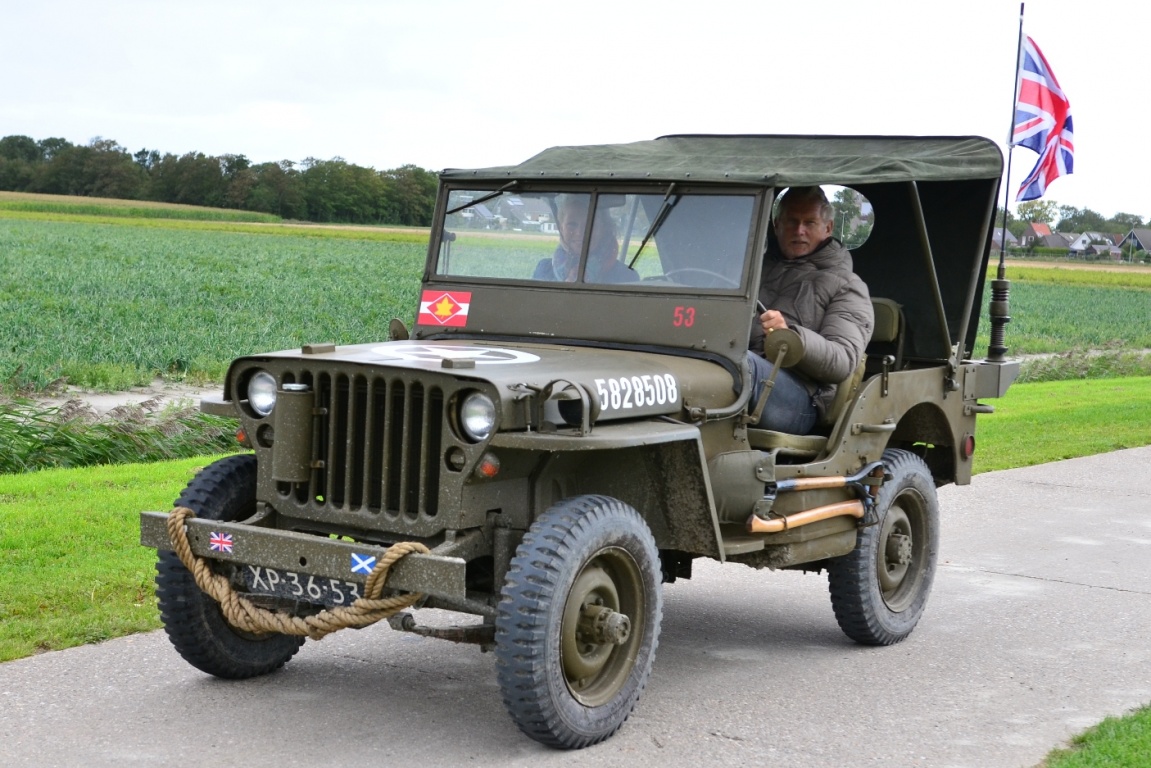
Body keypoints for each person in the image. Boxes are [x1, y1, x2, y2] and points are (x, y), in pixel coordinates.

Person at [746, 186, 874, 434]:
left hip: (803, 397)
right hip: (746, 373)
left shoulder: (847, 286)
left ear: (828, 228)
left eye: (809, 222)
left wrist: (789, 336)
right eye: (792, 221)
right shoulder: (750, 271)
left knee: (739, 368)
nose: (799, 231)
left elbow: (843, 360)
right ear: (776, 225)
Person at [533, 195, 639, 283]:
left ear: (604, 228)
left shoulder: (626, 277)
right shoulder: (544, 270)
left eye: (590, 224)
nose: (580, 233)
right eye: (572, 224)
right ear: (561, 228)